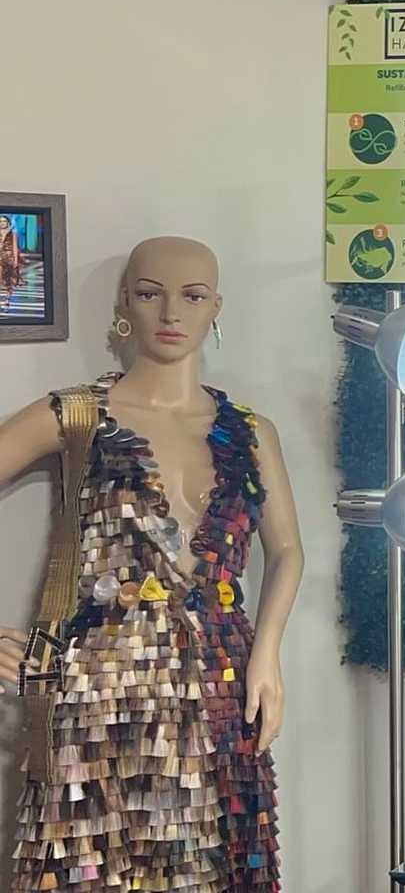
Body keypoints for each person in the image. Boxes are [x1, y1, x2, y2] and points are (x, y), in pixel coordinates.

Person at [0, 236, 303, 891]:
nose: (171, 312)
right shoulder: (76, 416)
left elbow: (287, 551)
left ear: (214, 307)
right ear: (124, 306)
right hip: (96, 699)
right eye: (149, 293)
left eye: (192, 296)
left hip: (226, 689)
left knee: (225, 865)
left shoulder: (250, 432)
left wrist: (268, 652)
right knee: (88, 868)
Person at [0, 215, 21, 308]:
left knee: (8, 280)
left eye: (4, 221)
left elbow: (15, 247)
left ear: (8, 222)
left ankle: (7, 299)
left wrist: (16, 261)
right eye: (0, 221)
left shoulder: (13, 233)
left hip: (9, 258)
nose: (2, 223)